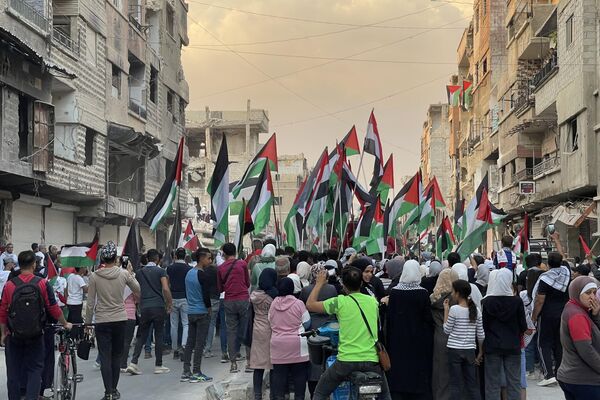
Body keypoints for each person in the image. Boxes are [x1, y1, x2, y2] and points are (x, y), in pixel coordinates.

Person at [307, 268, 391, 400]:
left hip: (346, 362)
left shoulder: (339, 302)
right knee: (385, 395)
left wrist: (319, 283)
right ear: (361, 283)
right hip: (371, 361)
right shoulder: (372, 301)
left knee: (320, 393)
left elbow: (310, 304)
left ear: (343, 285)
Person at [0, 251, 72, 400]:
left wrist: (3, 333)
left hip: (14, 335)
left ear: (19, 265)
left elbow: (2, 311)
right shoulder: (42, 283)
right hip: (36, 334)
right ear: (34, 265)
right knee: (35, 370)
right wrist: (65, 323)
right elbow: (53, 307)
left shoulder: (9, 285)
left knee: (13, 372)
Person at [85, 242, 140, 400]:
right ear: (115, 257)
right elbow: (137, 289)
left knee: (104, 356)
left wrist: (88, 323)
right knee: (117, 356)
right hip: (120, 319)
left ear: (102, 258)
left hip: (102, 320)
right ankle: (114, 389)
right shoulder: (123, 274)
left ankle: (108, 392)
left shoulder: (94, 276)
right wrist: (130, 273)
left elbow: (90, 303)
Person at [384, 259, 433, 400]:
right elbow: (427, 319)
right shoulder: (423, 293)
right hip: (419, 340)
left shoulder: (395, 293)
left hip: (398, 339)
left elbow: (391, 318)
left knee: (400, 369)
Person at [482, 268, 528, 400]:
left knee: (492, 383)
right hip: (513, 345)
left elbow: (484, 326)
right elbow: (523, 326)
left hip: (492, 346)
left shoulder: (487, 302)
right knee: (514, 382)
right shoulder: (517, 301)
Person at [126, 248, 173, 375]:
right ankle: (159, 365)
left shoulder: (139, 273)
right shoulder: (161, 271)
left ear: (147, 259)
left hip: (145, 307)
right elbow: (165, 288)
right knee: (158, 335)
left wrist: (140, 303)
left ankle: (133, 362)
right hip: (158, 306)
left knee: (141, 335)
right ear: (158, 259)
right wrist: (169, 303)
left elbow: (135, 289)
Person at [557, 276, 600, 399]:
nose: (592, 297)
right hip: (583, 380)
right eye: (587, 293)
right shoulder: (577, 315)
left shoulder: (578, 309)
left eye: (594, 292)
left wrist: (595, 315)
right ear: (577, 292)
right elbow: (586, 350)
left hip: (577, 378)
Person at [531, 251, 570, 386]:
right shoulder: (566, 272)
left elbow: (539, 301)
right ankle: (559, 374)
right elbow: (564, 259)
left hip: (547, 315)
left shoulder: (545, 278)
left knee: (543, 344)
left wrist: (534, 317)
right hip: (563, 314)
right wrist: (557, 240)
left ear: (547, 264)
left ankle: (548, 374)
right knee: (559, 344)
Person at [269, 277, 311, 400]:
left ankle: (280, 397)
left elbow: (270, 321)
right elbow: (307, 323)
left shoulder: (273, 304)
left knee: (280, 375)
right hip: (298, 344)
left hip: (278, 344)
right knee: (299, 375)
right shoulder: (298, 303)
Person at [300, 264, 338, 396]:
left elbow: (303, 308)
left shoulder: (306, 290)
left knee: (313, 363)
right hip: (330, 326)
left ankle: (314, 393)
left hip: (312, 327)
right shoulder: (332, 288)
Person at [443, 280, 484, 400]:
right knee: (472, 384)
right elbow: (481, 334)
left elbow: (446, 330)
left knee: (456, 384)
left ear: (458, 293)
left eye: (453, 291)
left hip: (454, 349)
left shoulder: (454, 309)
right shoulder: (476, 310)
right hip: (470, 350)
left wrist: (446, 310)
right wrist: (480, 351)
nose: (451, 294)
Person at [181, 247, 213, 383]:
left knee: (190, 342)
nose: (210, 261)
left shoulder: (189, 273)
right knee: (200, 343)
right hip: (202, 312)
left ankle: (186, 371)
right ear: (201, 258)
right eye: (208, 258)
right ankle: (197, 371)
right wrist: (209, 308)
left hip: (191, 311)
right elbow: (206, 295)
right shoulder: (203, 275)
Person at [217, 243, 250, 373]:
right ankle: (249, 362)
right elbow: (247, 283)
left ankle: (233, 364)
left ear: (224, 254)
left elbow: (220, 288)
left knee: (231, 332)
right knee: (247, 330)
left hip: (229, 301)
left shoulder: (221, 268)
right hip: (243, 299)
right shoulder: (242, 264)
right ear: (235, 252)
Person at [430, 268, 460, 400]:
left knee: (440, 374)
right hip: (457, 337)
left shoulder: (433, 299)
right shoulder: (458, 299)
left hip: (439, 337)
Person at [249, 268, 277, 400]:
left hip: (257, 330)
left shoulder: (254, 295)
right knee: (273, 365)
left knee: (258, 365)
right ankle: (273, 394)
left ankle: (257, 395)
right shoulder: (273, 295)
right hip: (272, 330)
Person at [167, 247, 191, 360]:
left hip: (172, 297)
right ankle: (184, 346)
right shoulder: (189, 268)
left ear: (175, 256)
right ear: (185, 255)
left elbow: (167, 285)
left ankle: (174, 349)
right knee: (186, 324)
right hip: (185, 298)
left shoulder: (169, 268)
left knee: (174, 325)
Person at [202, 249, 221, 359]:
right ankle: (207, 349)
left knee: (203, 324)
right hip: (214, 298)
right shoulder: (217, 270)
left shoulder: (202, 270)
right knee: (211, 324)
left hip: (204, 299)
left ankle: (202, 346)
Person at [66, 267, 88, 338]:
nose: (86, 269)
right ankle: (75, 337)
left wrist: (67, 298)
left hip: (69, 302)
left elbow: (66, 289)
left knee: (71, 320)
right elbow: (86, 290)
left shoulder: (70, 276)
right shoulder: (79, 278)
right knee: (77, 322)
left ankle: (69, 336)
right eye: (84, 267)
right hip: (76, 303)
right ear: (81, 269)